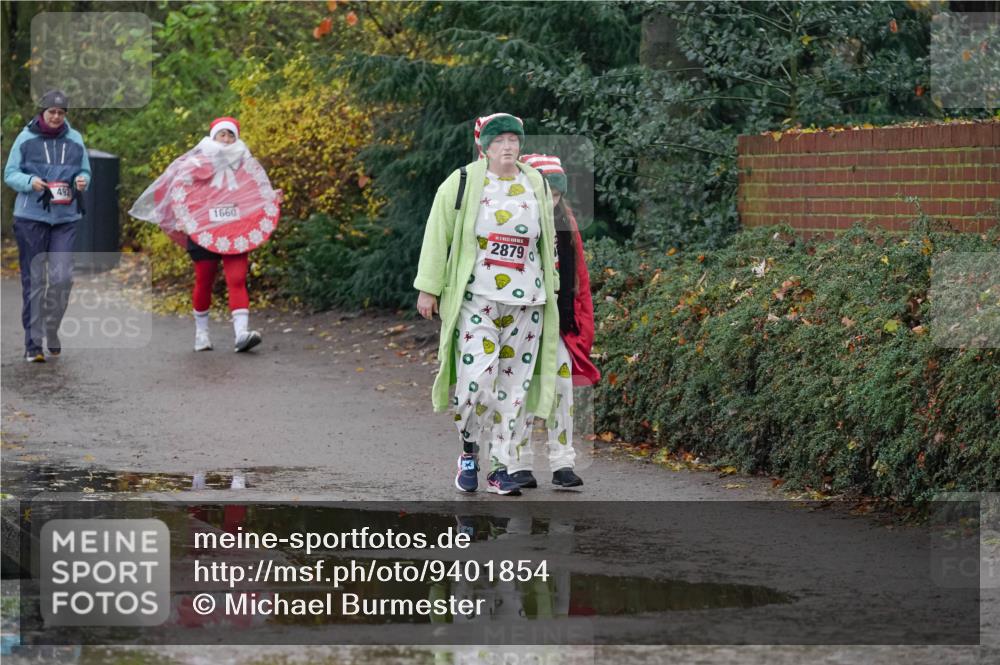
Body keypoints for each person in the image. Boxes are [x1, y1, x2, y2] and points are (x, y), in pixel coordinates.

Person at [414, 113, 560, 496]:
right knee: (477, 381)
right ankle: (468, 452)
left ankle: (501, 466)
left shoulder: (536, 183)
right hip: (476, 298)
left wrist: (554, 286)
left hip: (528, 300)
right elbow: (437, 233)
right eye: (500, 141)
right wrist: (428, 288)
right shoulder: (461, 182)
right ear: (484, 146)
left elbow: (549, 239)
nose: (508, 147)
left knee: (514, 388)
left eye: (514, 139)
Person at [130, 117, 281, 352]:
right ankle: (202, 334)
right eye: (223, 135)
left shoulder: (246, 166)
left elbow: (255, 194)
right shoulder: (196, 164)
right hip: (202, 231)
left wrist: (271, 199)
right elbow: (179, 191)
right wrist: (182, 217)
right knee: (205, 280)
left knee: (238, 279)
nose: (227, 139)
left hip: (236, 231)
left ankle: (241, 333)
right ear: (213, 137)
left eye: (231, 135)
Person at [507, 154, 600, 489]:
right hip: (518, 321)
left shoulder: (565, 223)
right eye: (544, 193)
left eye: (557, 195)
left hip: (555, 321)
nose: (551, 201)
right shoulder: (511, 223)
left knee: (561, 383)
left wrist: (578, 324)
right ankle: (517, 462)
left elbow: (579, 280)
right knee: (519, 388)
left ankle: (562, 462)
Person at [3, 90, 91, 362]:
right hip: (31, 218)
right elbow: (10, 174)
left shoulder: (75, 139)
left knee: (63, 278)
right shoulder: (26, 138)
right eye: (51, 112)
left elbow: (85, 171)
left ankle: (51, 328)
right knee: (35, 281)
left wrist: (82, 181)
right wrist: (31, 183)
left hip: (64, 219)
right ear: (42, 112)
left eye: (60, 113)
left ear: (65, 116)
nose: (55, 117)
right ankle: (33, 344)